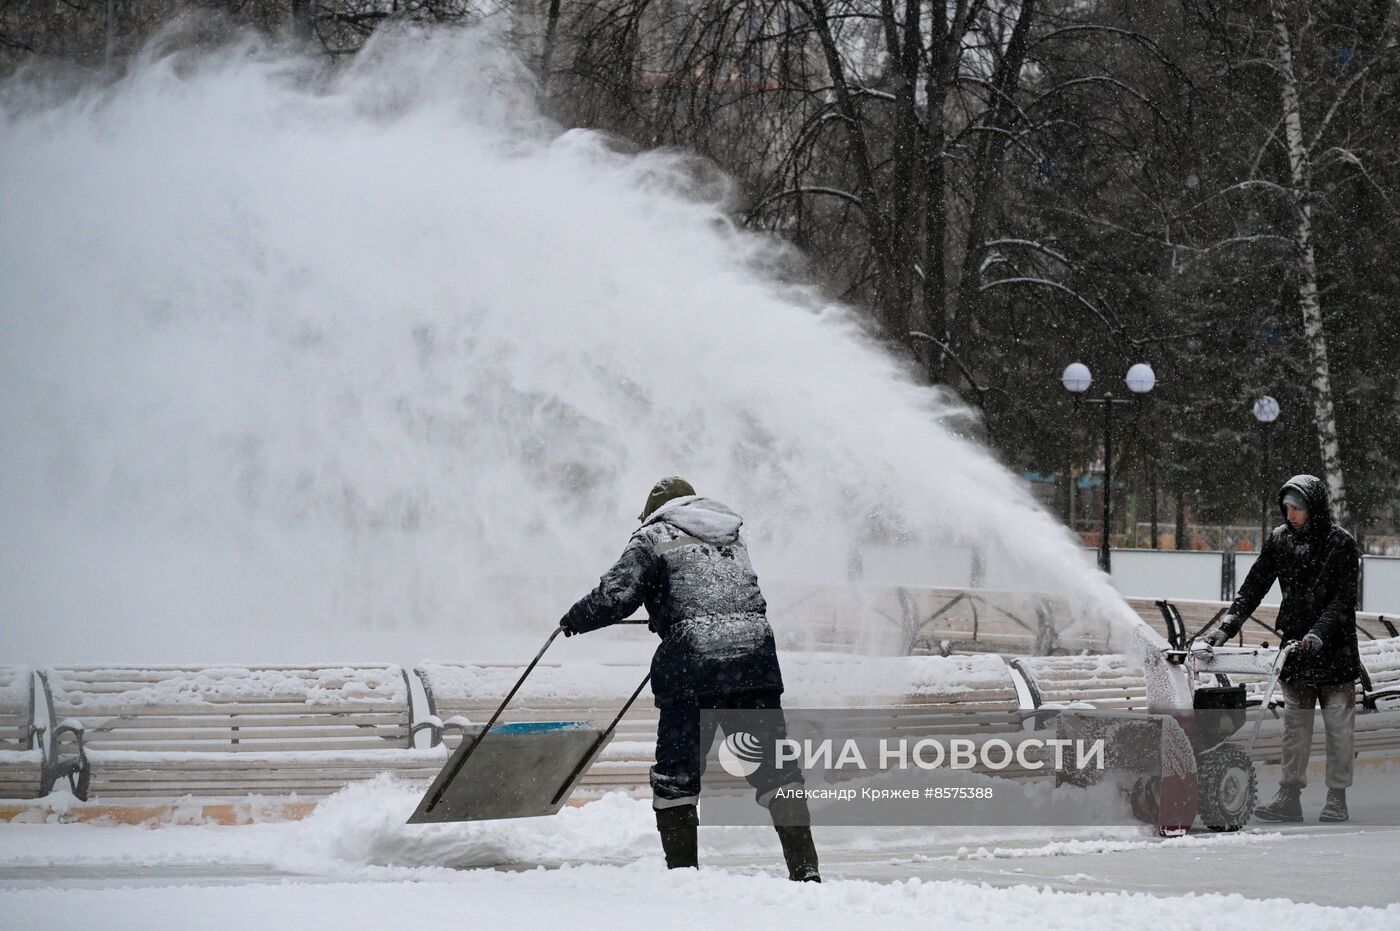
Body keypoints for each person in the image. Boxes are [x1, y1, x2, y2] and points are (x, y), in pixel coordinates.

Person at [559, 476, 821, 881]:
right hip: (754, 660)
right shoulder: (730, 535)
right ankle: (806, 873)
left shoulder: (654, 536)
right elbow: (716, 595)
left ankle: (684, 878)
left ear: (655, 510)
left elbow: (617, 596)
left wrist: (575, 619)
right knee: (775, 770)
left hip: (693, 666)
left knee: (677, 778)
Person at [1205, 474, 1361, 823]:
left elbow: (1342, 601)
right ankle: (1289, 797)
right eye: (1287, 508)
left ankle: (1337, 797)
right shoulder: (1280, 541)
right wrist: (1228, 627)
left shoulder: (1341, 545)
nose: (1290, 515)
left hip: (1335, 654)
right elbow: (1254, 586)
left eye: (1297, 508)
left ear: (1314, 509)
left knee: (1338, 729)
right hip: (1295, 653)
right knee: (1295, 730)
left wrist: (1319, 633)